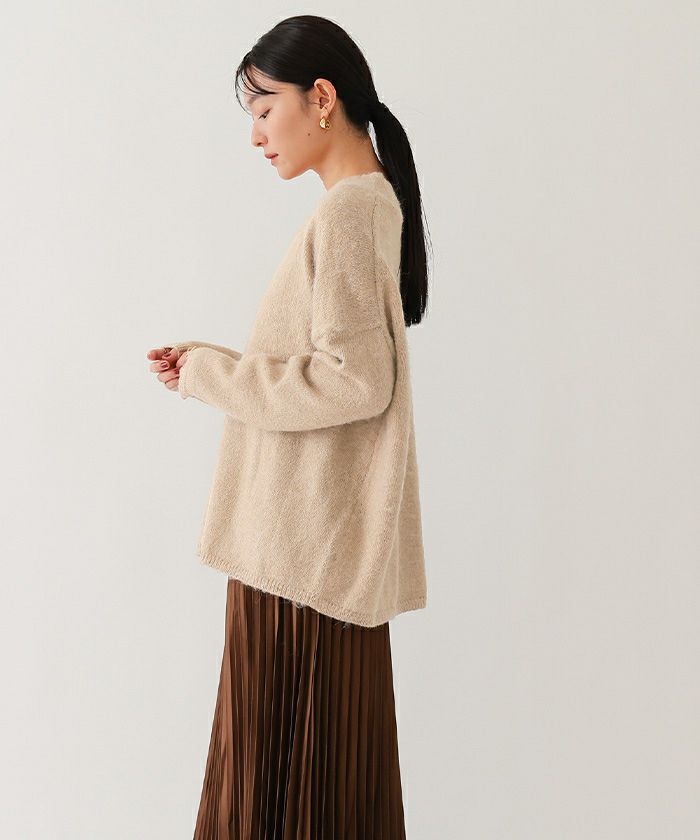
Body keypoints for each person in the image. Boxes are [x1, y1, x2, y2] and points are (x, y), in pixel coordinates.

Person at [146, 14, 431, 839]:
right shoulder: (370, 203)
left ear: (323, 98)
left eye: (265, 109)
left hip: (299, 560)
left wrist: (211, 377)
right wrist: (212, 362)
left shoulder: (348, 213)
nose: (256, 135)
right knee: (327, 791)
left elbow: (354, 381)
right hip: (319, 558)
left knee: (275, 794)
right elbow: (339, 368)